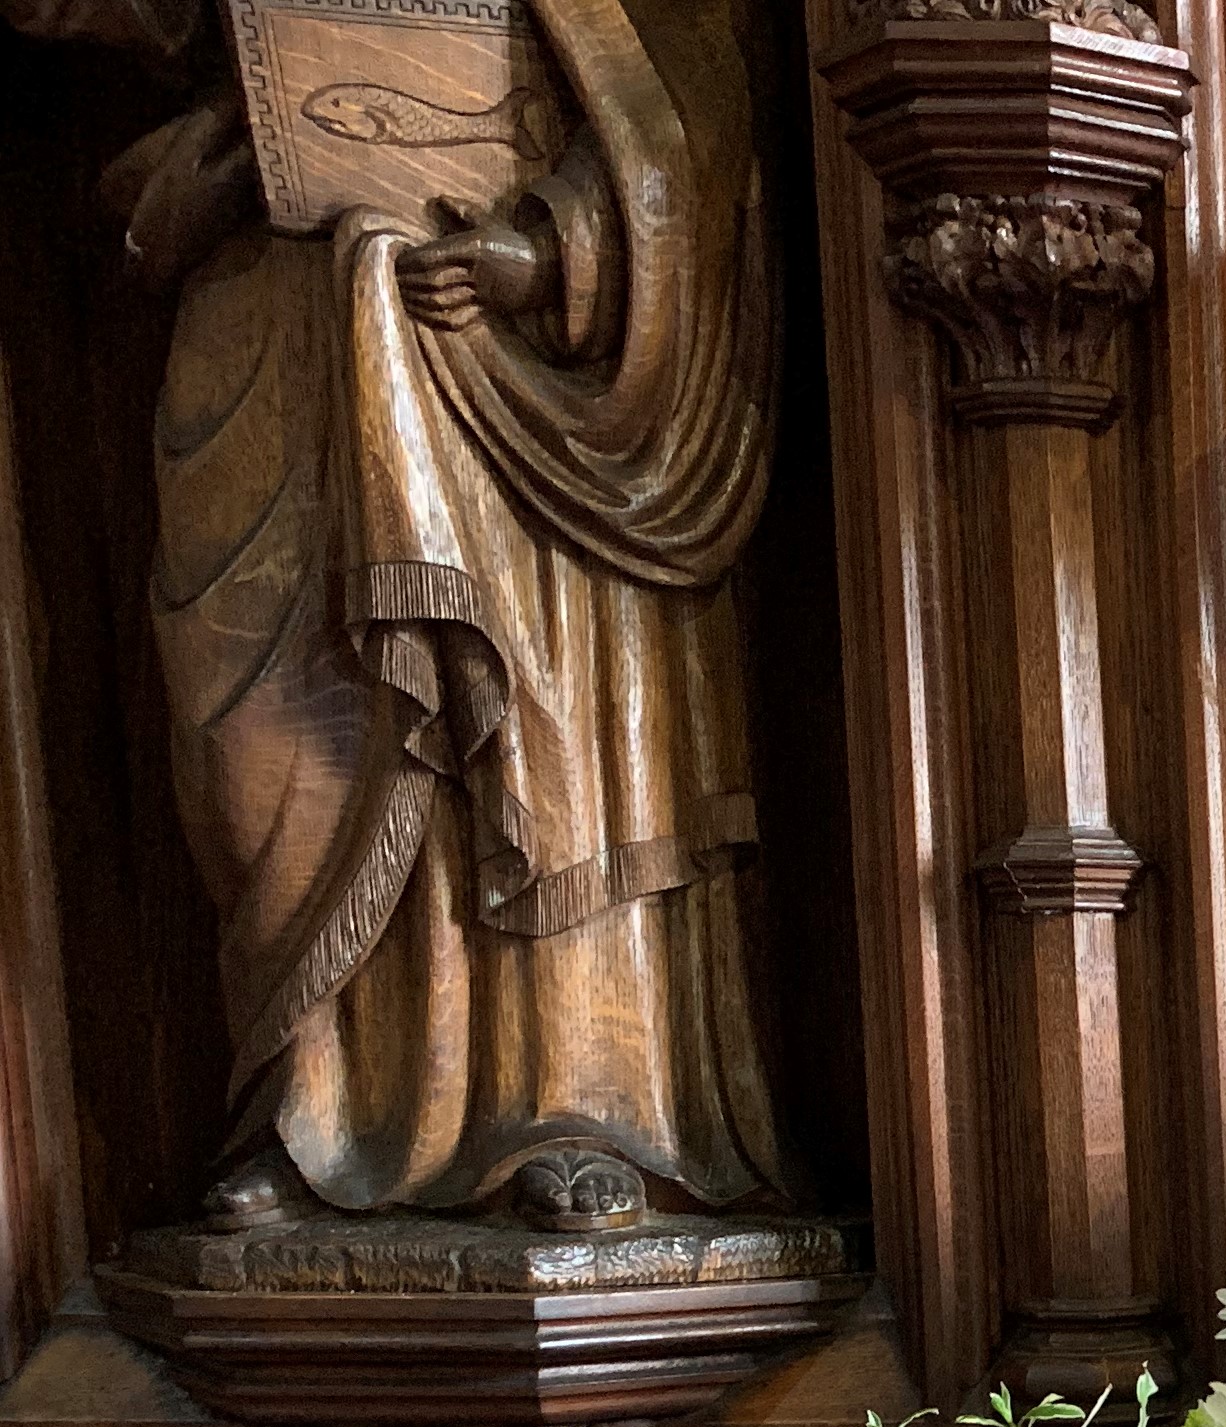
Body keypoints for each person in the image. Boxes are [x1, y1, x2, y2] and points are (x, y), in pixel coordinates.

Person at [41, 0, 785, 1233]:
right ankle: (311, 1103)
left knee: (538, 707)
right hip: (275, 285)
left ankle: (575, 1099)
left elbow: (688, 86)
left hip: (511, 338)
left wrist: (553, 245)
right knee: (272, 745)